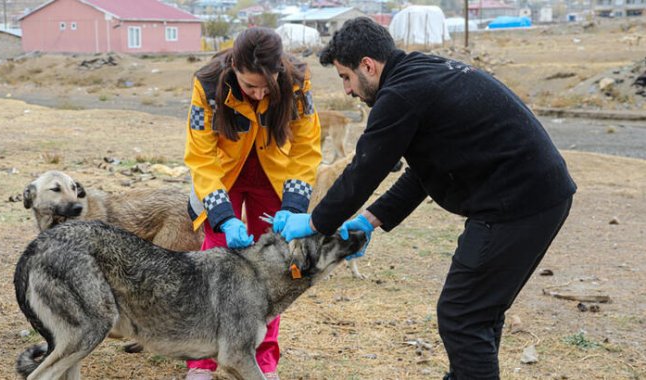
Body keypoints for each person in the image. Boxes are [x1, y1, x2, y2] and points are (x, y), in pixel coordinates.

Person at [274, 17, 576, 379]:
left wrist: (313, 223)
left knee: (461, 314)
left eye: (346, 77)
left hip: (516, 204)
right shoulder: (418, 75)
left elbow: (364, 170)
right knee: (479, 311)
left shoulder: (399, 95)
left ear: (368, 65)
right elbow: (424, 172)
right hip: (536, 195)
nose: (347, 91)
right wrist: (370, 221)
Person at [184, 27, 322, 380]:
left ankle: (262, 359)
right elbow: (201, 157)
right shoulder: (207, 84)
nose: (260, 94)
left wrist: (293, 205)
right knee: (212, 266)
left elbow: (306, 146)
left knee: (272, 268)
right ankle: (203, 360)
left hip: (273, 174)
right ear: (233, 67)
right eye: (249, 86)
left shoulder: (297, 83)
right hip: (222, 176)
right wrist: (224, 217)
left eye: (267, 86)